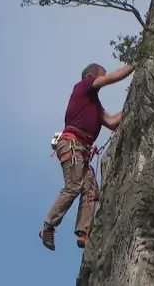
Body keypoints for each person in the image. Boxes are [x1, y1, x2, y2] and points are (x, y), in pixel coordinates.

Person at [39, 62, 135, 251]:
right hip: (72, 145)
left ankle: (83, 233)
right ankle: (48, 227)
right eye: (99, 77)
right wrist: (135, 64)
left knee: (91, 189)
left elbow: (112, 122)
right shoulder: (82, 87)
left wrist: (133, 103)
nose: (99, 80)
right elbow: (113, 78)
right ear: (91, 76)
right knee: (74, 185)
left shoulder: (95, 105)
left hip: (81, 151)